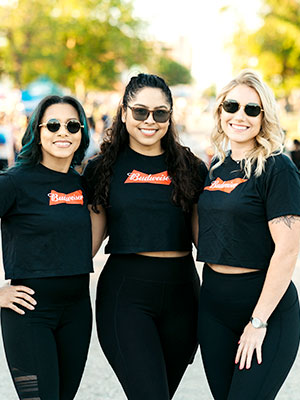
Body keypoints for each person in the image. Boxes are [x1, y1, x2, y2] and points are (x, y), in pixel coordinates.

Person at [83, 73, 207, 400]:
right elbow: (86, 246)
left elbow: (206, 239)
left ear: (170, 116)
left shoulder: (192, 167)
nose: (149, 121)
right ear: (124, 113)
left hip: (184, 299)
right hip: (126, 298)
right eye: (140, 111)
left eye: (160, 113)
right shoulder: (102, 169)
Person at [195, 69, 300, 399]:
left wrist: (258, 322)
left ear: (264, 116)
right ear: (220, 111)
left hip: (264, 307)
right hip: (214, 307)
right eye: (232, 106)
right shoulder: (214, 168)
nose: (240, 115)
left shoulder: (278, 168)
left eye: (251, 109)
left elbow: (287, 250)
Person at [0, 95, 93, 400]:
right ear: (37, 132)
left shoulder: (83, 184)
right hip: (29, 315)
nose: (62, 132)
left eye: (72, 125)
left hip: (77, 314)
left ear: (82, 134)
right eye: (53, 125)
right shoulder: (14, 182)